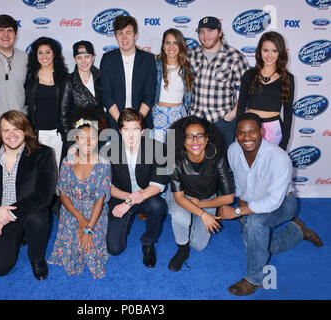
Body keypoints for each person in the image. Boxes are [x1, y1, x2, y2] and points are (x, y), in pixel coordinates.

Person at [218, 113, 323, 296]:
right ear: (236, 134)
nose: (247, 137)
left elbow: (274, 201)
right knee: (254, 242)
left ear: (261, 131)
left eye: (252, 132)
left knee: (256, 226)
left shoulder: (279, 157)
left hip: (283, 204)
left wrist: (237, 211)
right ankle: (297, 230)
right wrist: (243, 211)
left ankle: (254, 279)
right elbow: (241, 183)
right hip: (252, 202)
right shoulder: (233, 150)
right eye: (241, 133)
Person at [0, 110, 57, 281]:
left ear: (25, 130)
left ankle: (36, 258)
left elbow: (44, 195)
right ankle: (19, 236)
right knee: (0, 268)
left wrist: (8, 214)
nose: (12, 135)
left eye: (17, 129)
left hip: (27, 211)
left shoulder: (43, 153)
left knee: (39, 218)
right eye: (6, 130)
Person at [48, 107, 111, 279]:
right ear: (76, 139)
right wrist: (80, 219)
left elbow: (100, 200)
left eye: (92, 138)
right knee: (72, 251)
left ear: (98, 139)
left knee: (90, 250)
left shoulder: (104, 163)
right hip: (72, 211)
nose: (88, 143)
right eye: (83, 138)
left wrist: (89, 228)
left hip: (95, 213)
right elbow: (63, 194)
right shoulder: (67, 162)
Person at [167, 116, 234, 271]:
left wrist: (201, 206)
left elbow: (228, 198)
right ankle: (182, 249)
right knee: (180, 217)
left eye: (199, 136)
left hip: (207, 198)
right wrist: (203, 215)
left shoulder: (218, 159)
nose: (195, 141)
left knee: (198, 245)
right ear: (183, 140)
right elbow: (179, 197)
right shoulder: (175, 160)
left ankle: (189, 224)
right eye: (189, 136)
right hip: (182, 197)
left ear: (207, 139)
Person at [106, 108, 169, 268]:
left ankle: (148, 242)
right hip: (121, 197)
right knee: (114, 248)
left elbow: (158, 185)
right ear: (120, 131)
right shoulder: (110, 150)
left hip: (146, 197)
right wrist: (128, 199)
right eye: (126, 130)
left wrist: (129, 202)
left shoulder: (158, 148)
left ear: (142, 130)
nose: (131, 135)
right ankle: (126, 222)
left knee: (158, 205)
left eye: (135, 129)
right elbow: (108, 186)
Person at [188, 16, 250, 147]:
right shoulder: (192, 54)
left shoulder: (235, 57)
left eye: (210, 31)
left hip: (222, 121)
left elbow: (248, 91)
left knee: (222, 163)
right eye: (202, 32)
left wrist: (231, 115)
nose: (206, 36)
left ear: (220, 32)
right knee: (196, 162)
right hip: (195, 119)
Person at [237, 31, 295, 151]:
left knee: (270, 168)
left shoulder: (287, 78)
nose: (269, 55)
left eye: (274, 51)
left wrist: (284, 142)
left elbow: (288, 112)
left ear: (280, 53)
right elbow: (241, 106)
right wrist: (237, 133)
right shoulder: (249, 75)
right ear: (260, 52)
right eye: (265, 50)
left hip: (274, 131)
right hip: (250, 128)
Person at [100, 15, 157, 131]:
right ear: (116, 36)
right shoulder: (107, 59)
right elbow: (106, 95)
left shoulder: (148, 59)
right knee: (115, 150)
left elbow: (149, 95)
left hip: (142, 123)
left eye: (128, 33)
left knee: (144, 150)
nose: (124, 37)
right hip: (115, 124)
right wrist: (122, 123)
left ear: (135, 35)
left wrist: (136, 124)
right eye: (120, 33)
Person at [25, 36, 69, 167]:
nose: (44, 56)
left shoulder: (64, 78)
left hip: (59, 133)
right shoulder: (30, 78)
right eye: (40, 52)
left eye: (48, 52)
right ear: (35, 55)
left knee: (58, 170)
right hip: (38, 133)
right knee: (41, 171)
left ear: (54, 54)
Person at [60, 40, 107, 157]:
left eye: (87, 57)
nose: (84, 61)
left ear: (93, 58)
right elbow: (62, 116)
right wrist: (71, 143)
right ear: (75, 59)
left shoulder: (100, 78)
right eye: (79, 57)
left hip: (97, 139)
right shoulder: (68, 82)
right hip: (77, 140)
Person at [152, 28, 193, 143]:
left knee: (175, 155)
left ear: (180, 45)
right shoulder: (155, 66)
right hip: (158, 115)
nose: (171, 47)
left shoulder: (187, 68)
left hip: (179, 115)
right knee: (157, 154)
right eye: (168, 43)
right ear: (163, 46)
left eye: (175, 43)